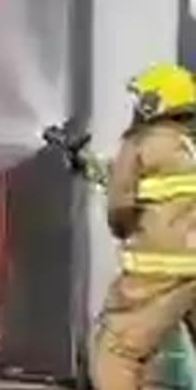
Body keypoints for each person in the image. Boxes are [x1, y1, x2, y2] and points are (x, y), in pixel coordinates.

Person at [93, 63, 196, 390]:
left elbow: (122, 206)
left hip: (157, 276)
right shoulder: (188, 146)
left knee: (118, 351)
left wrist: (124, 227)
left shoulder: (138, 145)